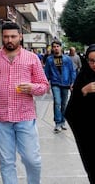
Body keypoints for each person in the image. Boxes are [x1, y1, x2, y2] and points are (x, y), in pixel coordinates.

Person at [0, 22, 49, 184]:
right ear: (1, 37)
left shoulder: (32, 58)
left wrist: (32, 87)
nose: (9, 40)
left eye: (13, 36)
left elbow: (44, 86)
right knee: (6, 162)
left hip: (25, 117)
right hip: (1, 118)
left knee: (32, 160)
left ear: (20, 37)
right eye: (6, 37)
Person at [65, 44, 95, 184]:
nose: (94, 64)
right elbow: (71, 111)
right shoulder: (82, 77)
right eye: (91, 61)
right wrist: (83, 91)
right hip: (89, 135)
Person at [44, 40, 75, 133]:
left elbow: (72, 71)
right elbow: (46, 73)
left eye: (58, 46)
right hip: (55, 83)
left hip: (66, 83)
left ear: (61, 47)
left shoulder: (67, 59)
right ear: (52, 48)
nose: (56, 48)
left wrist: (72, 82)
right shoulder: (49, 59)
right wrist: (46, 84)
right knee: (57, 102)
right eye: (54, 46)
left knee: (64, 104)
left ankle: (63, 121)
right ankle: (57, 123)